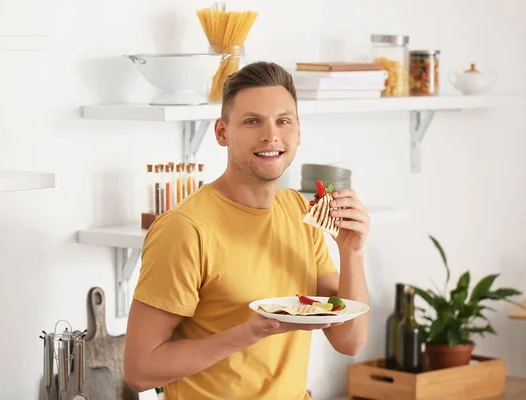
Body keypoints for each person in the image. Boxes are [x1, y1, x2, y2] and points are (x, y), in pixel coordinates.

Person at [123, 61, 371, 399]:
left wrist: (351, 251)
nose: (271, 135)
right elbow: (140, 371)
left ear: (298, 131)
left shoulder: (299, 212)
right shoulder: (184, 229)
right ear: (222, 132)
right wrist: (251, 332)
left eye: (283, 121)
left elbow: (349, 340)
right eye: (252, 121)